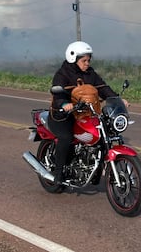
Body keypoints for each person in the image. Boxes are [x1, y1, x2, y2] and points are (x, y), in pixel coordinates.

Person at [49, 40, 121, 184]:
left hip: (85, 113)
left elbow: (102, 88)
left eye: (89, 60)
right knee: (66, 137)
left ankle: (94, 169)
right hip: (62, 116)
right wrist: (65, 104)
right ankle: (57, 173)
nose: (87, 63)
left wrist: (117, 99)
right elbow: (57, 94)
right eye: (84, 60)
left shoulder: (90, 73)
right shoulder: (63, 74)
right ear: (73, 58)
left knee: (101, 134)